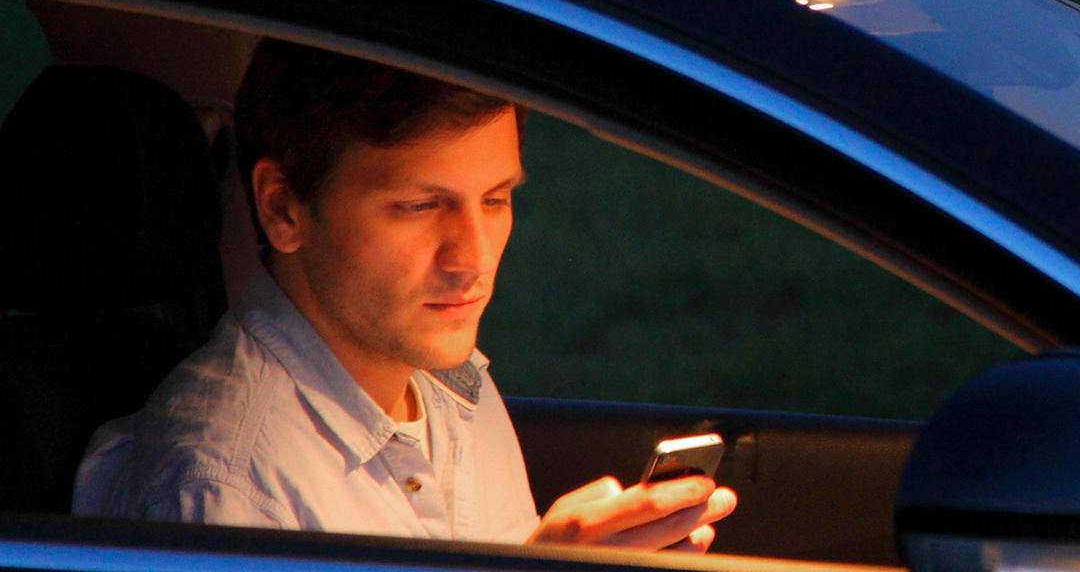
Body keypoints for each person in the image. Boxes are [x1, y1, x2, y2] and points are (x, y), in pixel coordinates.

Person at [73, 39, 737, 549]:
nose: (472, 258)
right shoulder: (230, 490)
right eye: (421, 206)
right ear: (284, 209)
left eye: (497, 199)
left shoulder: (453, 388)